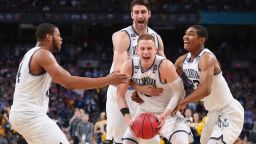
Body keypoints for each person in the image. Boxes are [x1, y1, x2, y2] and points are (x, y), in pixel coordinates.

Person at [8, 23, 130, 144]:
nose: (61, 39)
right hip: (30, 115)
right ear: (49, 37)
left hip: (21, 114)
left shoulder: (30, 54)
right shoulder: (43, 54)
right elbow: (70, 83)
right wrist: (107, 80)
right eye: (58, 35)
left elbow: (64, 78)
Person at [106, 0, 165, 143]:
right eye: (136, 12)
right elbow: (119, 76)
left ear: (149, 14)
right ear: (132, 15)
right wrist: (140, 88)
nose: (140, 15)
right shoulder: (123, 37)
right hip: (121, 93)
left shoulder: (156, 38)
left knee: (149, 136)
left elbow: (164, 70)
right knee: (119, 138)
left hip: (144, 94)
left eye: (143, 12)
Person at [173, 25, 244, 144]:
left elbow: (205, 90)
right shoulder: (182, 60)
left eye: (191, 34)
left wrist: (182, 102)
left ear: (201, 40)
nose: (185, 36)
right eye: (185, 33)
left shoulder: (207, 57)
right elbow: (166, 82)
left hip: (228, 112)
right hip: (212, 113)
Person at [117, 34, 193, 144]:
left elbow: (179, 93)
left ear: (155, 50)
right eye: (142, 48)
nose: (146, 52)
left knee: (181, 142)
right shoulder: (129, 66)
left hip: (168, 114)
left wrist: (165, 114)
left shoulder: (165, 66)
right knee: (127, 142)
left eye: (149, 48)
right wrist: (128, 119)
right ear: (137, 50)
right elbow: (119, 95)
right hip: (144, 113)